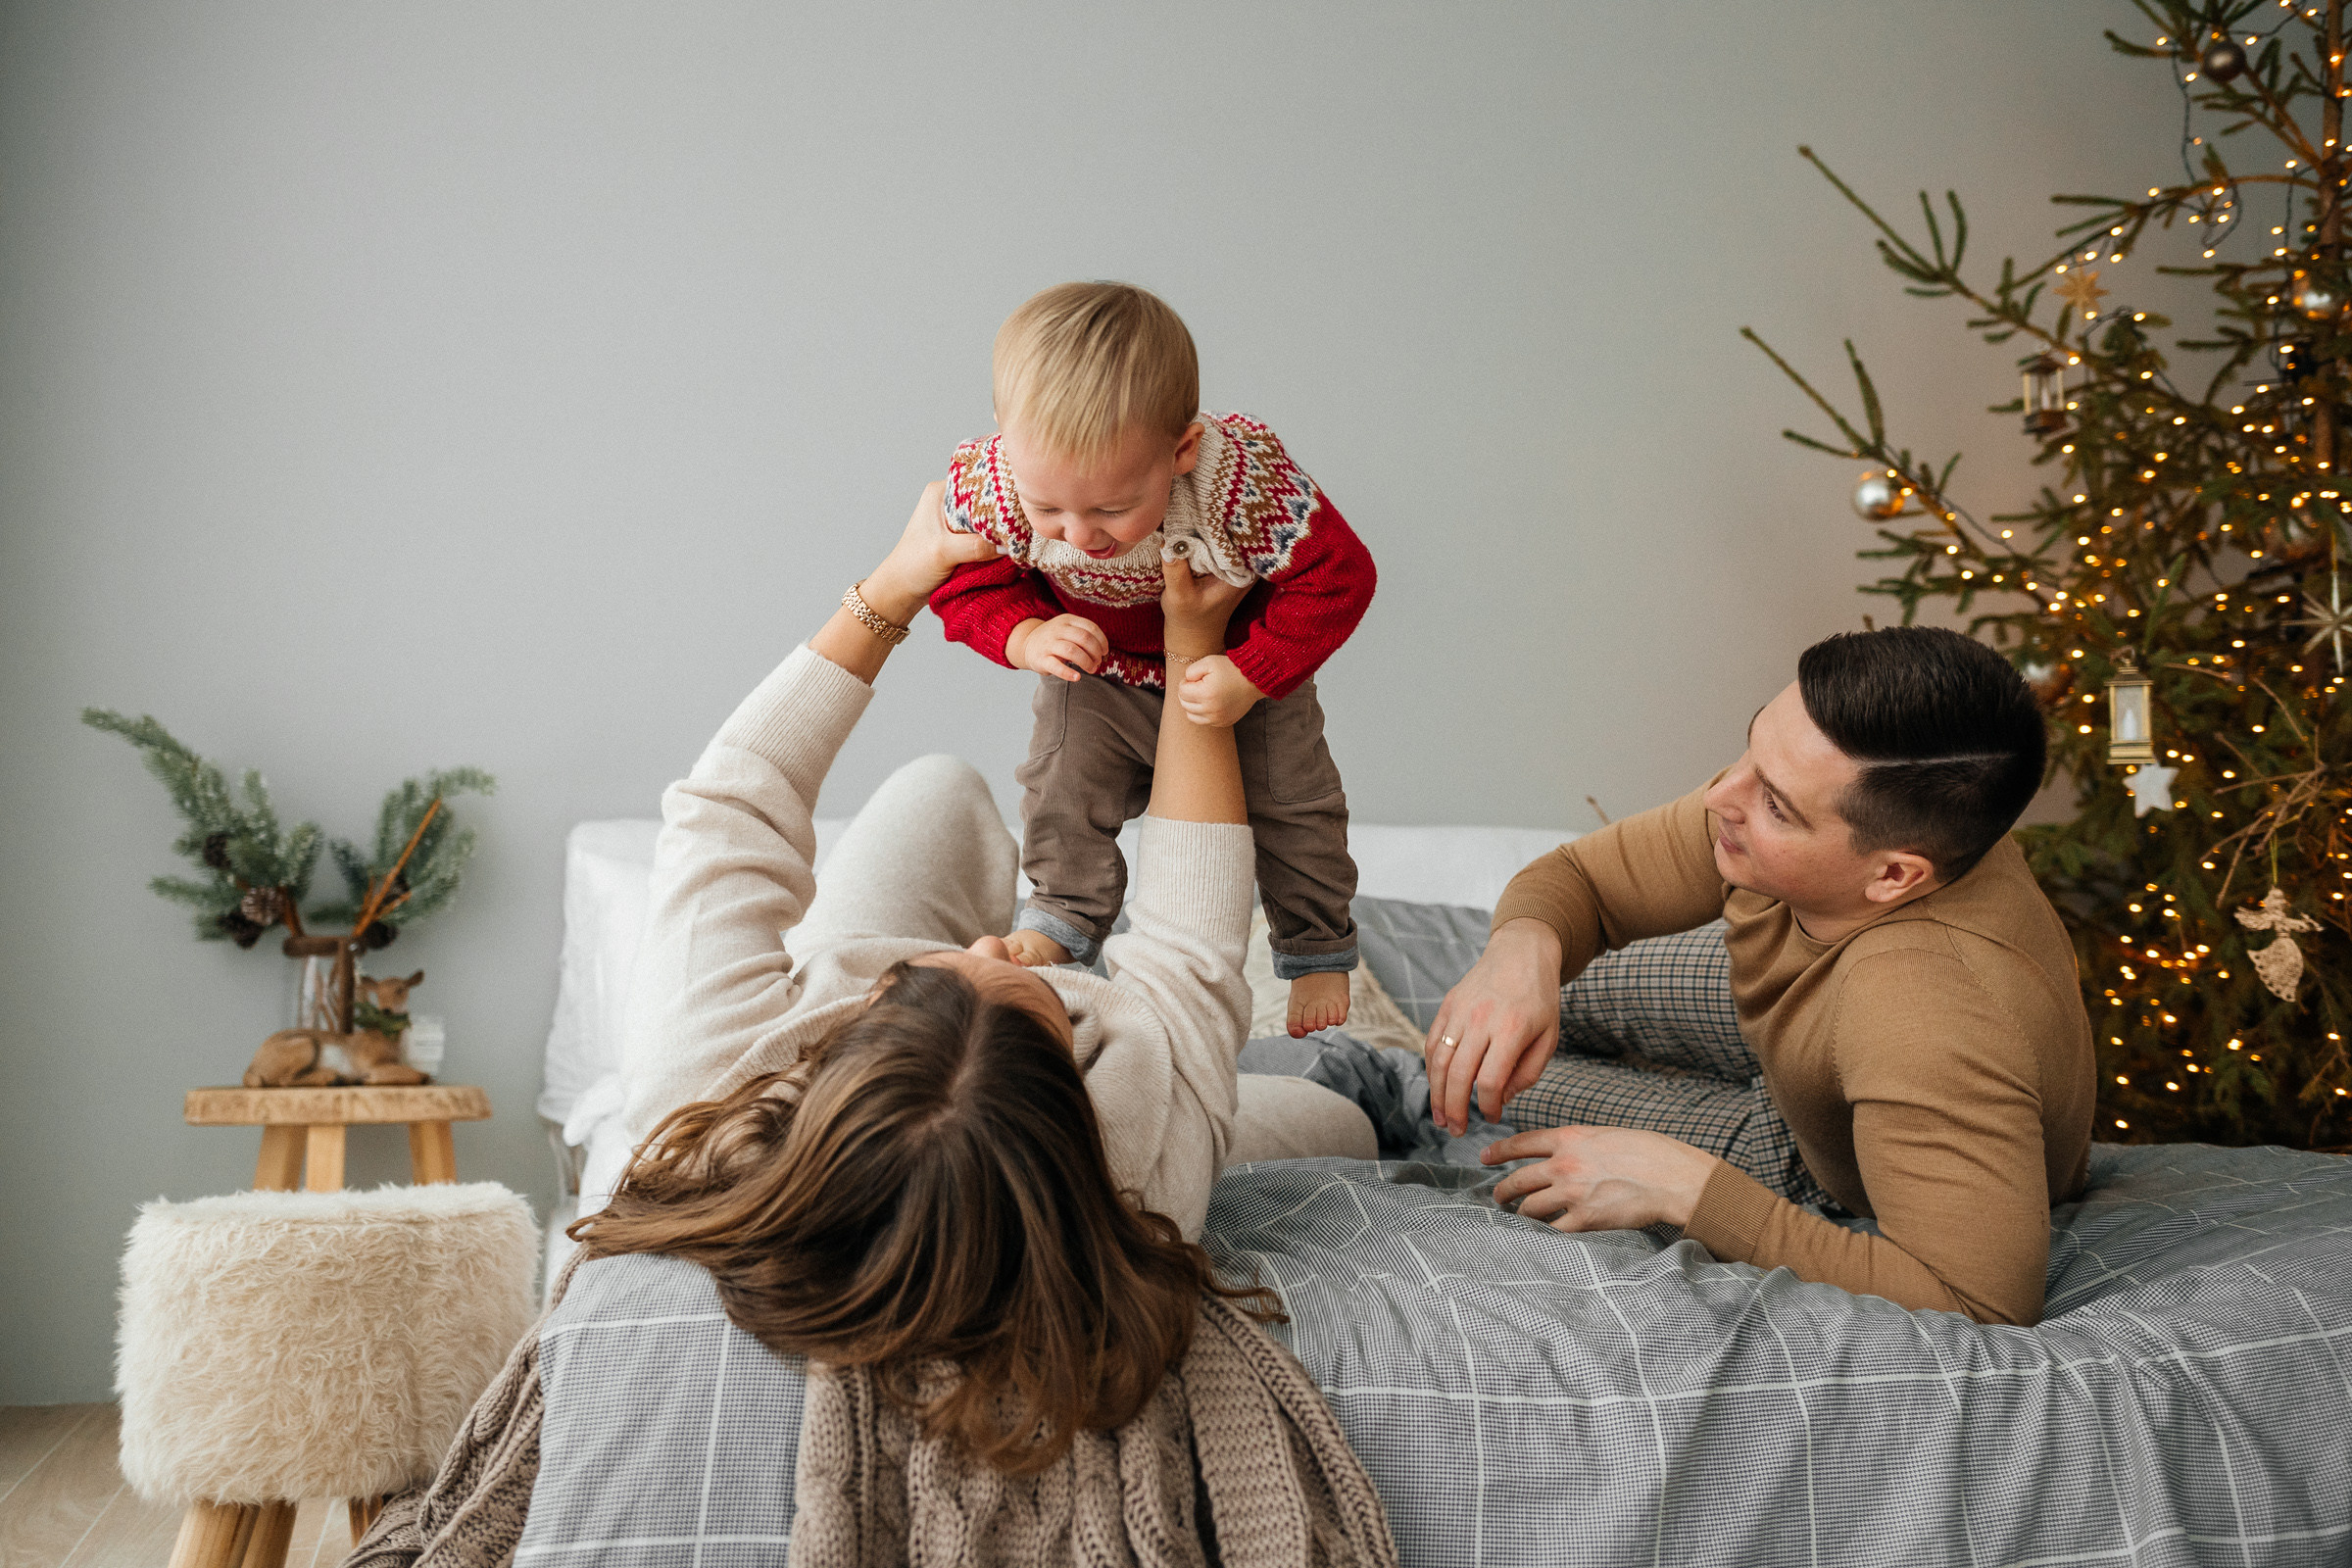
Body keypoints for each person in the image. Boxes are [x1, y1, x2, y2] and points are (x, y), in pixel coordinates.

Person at [346, 497, 1395, 1566]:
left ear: (847, 1035)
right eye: (1042, 992)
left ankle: (978, 981)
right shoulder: (1142, 1163)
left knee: (938, 787)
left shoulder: (709, 1086)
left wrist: (897, 582)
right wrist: (1190, 654)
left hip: (878, 1011)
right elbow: (1187, 937)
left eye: (964, 966)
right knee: (1343, 1113)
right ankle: (1291, 1064)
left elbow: (728, 808)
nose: (996, 943)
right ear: (1071, 1103)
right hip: (1130, 1086)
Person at [1428, 626, 2095, 1326]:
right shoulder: (1807, 814)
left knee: (1488, 1095)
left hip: (1838, 1156)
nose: (1722, 796)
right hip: (1817, 1038)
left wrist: (1686, 1188)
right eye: (1752, 747)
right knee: (1524, 1000)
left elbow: (1977, 1304)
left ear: (1894, 875)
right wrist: (1518, 957)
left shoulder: (1930, 1017)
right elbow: (1582, 880)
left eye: (1776, 805)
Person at [928, 281, 1378, 1037]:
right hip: (1101, 667)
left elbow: (1338, 577)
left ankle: (1315, 947)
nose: (1079, 534)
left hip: (1239, 669)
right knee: (1060, 784)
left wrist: (1255, 670)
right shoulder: (994, 486)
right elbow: (964, 581)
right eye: (1051, 511)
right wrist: (1025, 633)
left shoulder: (1239, 484)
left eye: (1110, 509)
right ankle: (1065, 916)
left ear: (1181, 450)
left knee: (1294, 803)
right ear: (1004, 441)